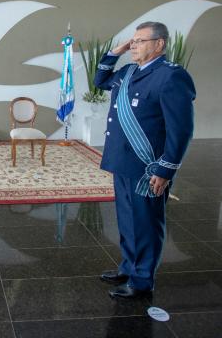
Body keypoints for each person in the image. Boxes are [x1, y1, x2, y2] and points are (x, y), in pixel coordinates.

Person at [94, 21, 196, 299]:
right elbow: (100, 81)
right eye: (133, 41)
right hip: (122, 161)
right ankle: (128, 266)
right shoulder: (128, 71)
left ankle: (142, 280)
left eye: (140, 41)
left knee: (147, 223)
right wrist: (117, 50)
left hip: (147, 168)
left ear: (159, 44)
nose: (134, 46)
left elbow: (181, 130)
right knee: (128, 220)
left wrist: (166, 169)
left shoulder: (171, 76)